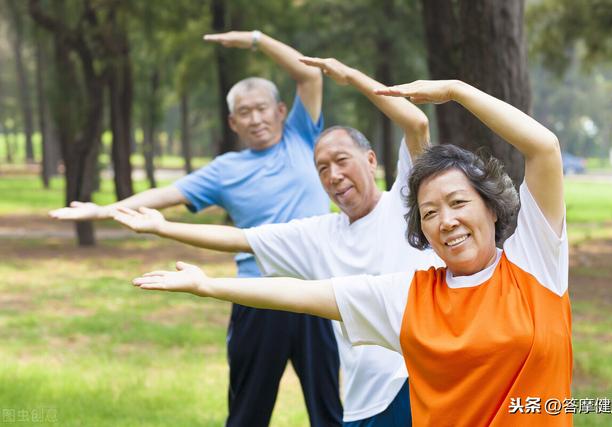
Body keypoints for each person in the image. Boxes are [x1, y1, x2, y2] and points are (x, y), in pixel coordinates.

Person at [131, 79, 571, 426]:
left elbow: (544, 147)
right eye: (430, 212)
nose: (447, 221)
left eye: (458, 203)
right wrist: (206, 286)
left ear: (491, 207)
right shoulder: (410, 297)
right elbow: (304, 295)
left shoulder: (534, 261)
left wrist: (455, 91)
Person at [113, 57, 443, 426]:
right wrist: (163, 228)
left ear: (370, 159)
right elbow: (241, 239)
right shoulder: (319, 235)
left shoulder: (405, 199)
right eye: (322, 168)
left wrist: (350, 76)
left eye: (342, 160)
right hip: (363, 401)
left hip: (417, 383)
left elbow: (415, 122)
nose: (334, 175)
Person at [50, 31, 343, 427]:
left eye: (261, 109)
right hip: (257, 297)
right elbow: (166, 194)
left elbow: (310, 76)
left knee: (329, 412)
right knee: (247, 413)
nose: (255, 119)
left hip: (316, 294)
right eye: (244, 112)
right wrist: (104, 210)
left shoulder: (302, 136)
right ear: (232, 121)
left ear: (280, 110)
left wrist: (257, 41)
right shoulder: (226, 170)